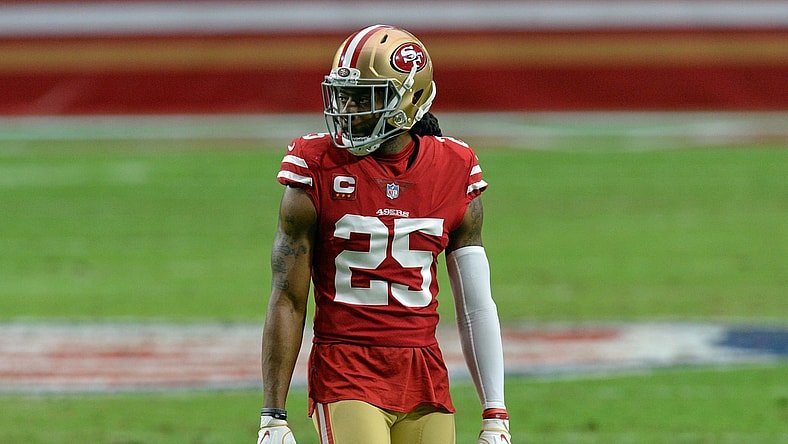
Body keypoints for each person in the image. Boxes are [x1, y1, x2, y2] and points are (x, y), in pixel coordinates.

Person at [257, 24, 510, 444]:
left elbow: (476, 305)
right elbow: (287, 297)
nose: (347, 109)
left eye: (364, 98)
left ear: (408, 101)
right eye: (344, 95)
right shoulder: (316, 164)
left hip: (424, 372)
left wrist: (495, 413)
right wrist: (273, 415)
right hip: (346, 367)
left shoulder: (455, 166)